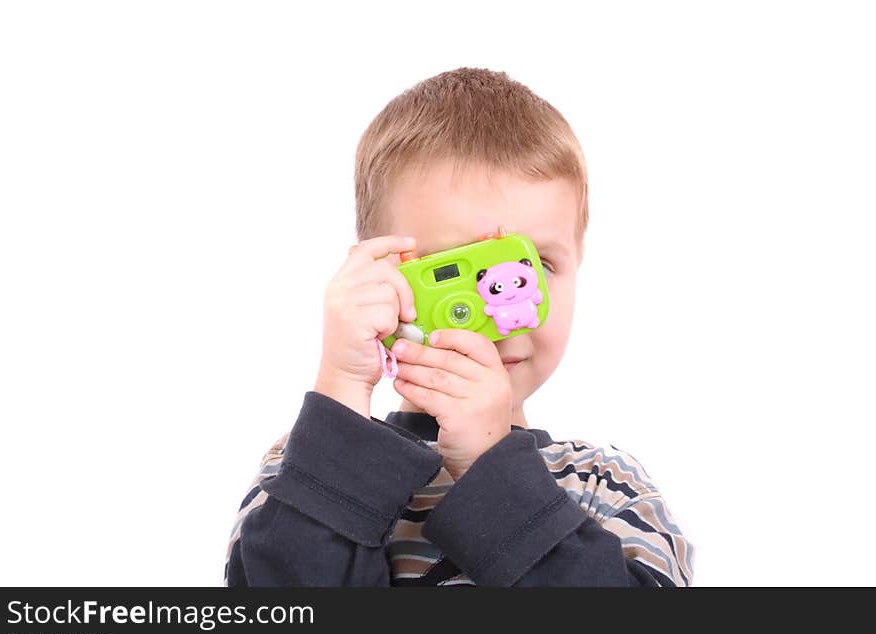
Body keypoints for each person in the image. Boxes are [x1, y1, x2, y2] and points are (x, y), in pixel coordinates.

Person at [223, 67, 694, 586]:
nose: (500, 313)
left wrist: (494, 469)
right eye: (451, 272)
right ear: (378, 279)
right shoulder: (305, 468)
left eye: (535, 266)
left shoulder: (607, 487)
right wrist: (341, 392)